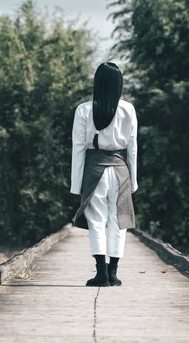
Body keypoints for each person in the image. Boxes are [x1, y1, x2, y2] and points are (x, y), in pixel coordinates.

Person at [70, 61, 137, 287]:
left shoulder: (83, 110)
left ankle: (101, 273)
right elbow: (133, 149)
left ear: (97, 83)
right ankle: (113, 273)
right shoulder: (128, 109)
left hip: (94, 170)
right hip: (120, 170)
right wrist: (134, 181)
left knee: (96, 220)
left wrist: (76, 184)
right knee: (119, 220)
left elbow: (78, 149)